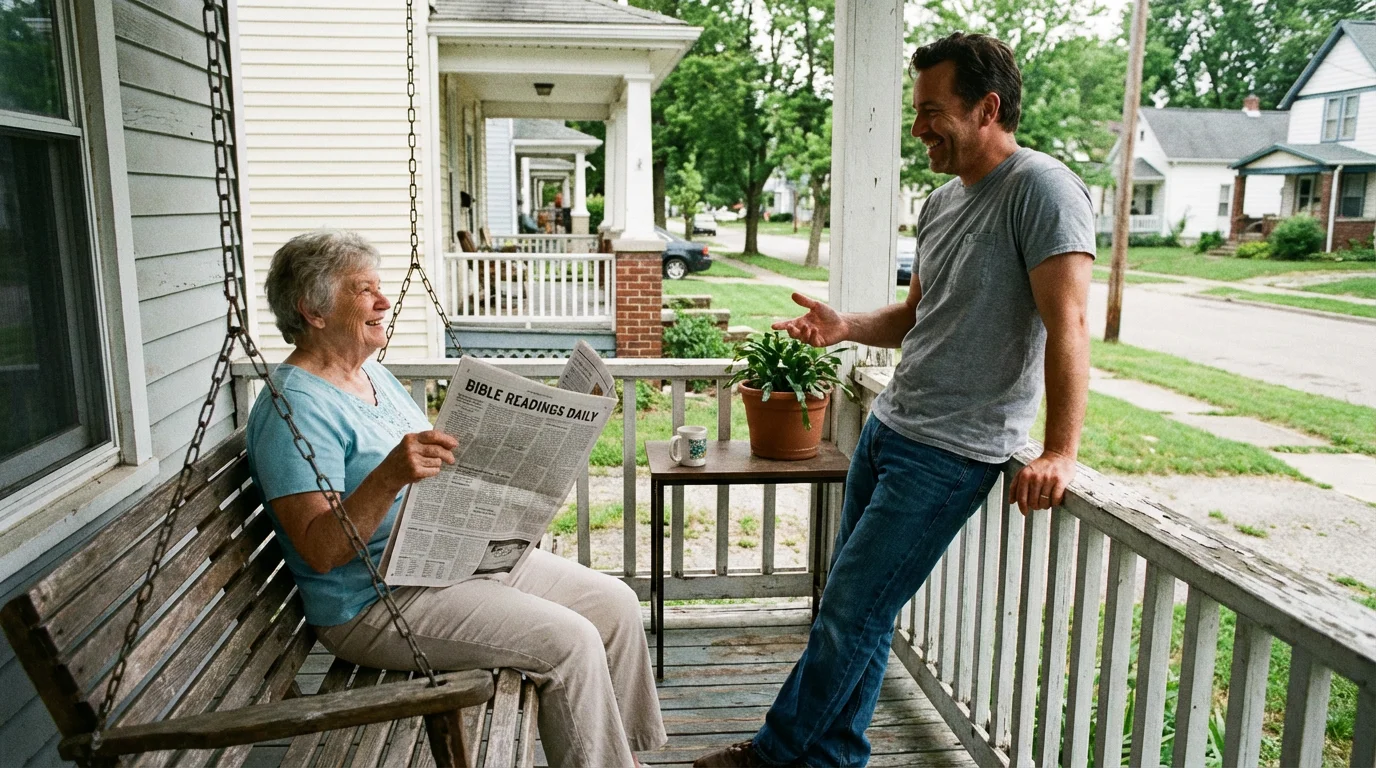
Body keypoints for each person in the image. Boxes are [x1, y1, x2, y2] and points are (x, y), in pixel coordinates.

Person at [693, 32, 1094, 768]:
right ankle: (835, 756)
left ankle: (772, 757)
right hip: (891, 428)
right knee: (860, 614)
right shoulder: (943, 203)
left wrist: (1061, 451)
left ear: (988, 109)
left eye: (932, 112)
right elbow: (915, 319)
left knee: (850, 612)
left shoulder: (1043, 190)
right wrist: (845, 326)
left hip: (952, 451)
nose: (917, 130)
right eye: (915, 112)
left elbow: (1067, 326)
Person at [246, 230, 665, 768]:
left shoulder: (370, 374)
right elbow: (321, 550)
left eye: (381, 287)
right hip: (376, 601)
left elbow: (439, 465)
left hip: (447, 559)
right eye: (363, 290)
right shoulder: (294, 409)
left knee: (615, 605)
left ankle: (624, 757)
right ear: (313, 310)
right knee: (571, 642)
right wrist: (388, 477)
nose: (383, 302)